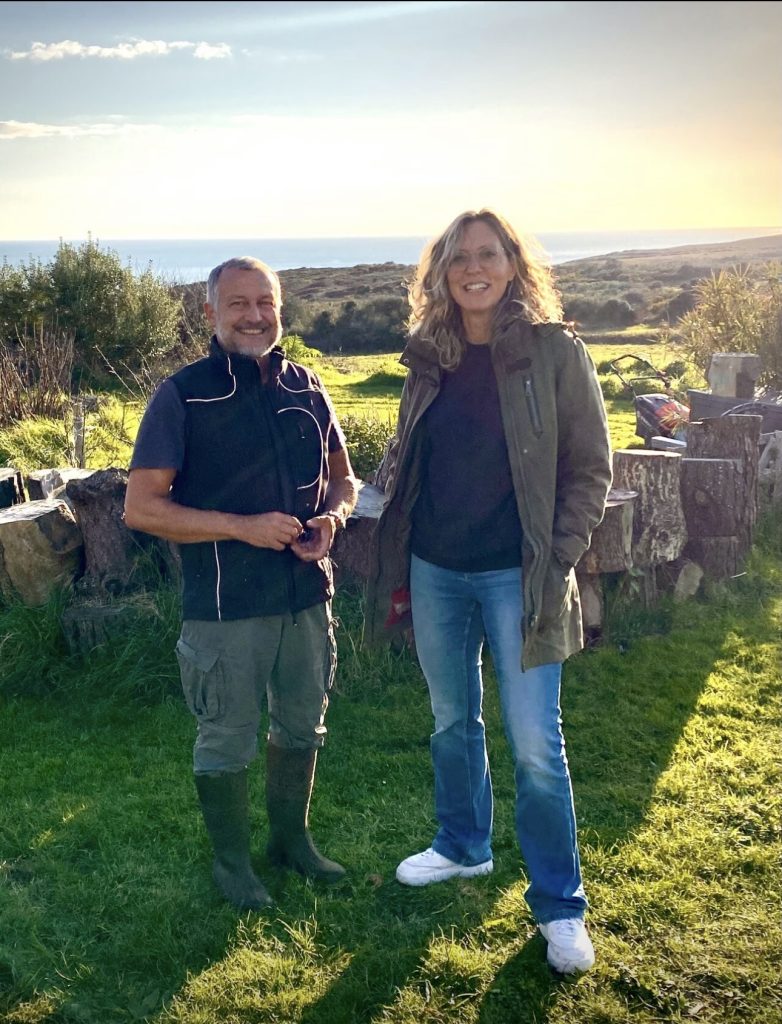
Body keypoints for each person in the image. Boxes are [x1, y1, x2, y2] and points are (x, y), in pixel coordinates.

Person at [365, 210, 612, 973]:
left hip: (521, 576)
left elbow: (590, 467)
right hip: (437, 571)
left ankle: (559, 905)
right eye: (459, 257)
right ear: (441, 273)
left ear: (513, 264)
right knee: (451, 719)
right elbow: (410, 458)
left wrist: (560, 556)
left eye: (489, 254)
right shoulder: (427, 356)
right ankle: (463, 845)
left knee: (537, 743)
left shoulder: (554, 350)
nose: (475, 267)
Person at [125, 256, 358, 911]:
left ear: (280, 308)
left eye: (266, 302)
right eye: (238, 304)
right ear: (211, 313)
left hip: (307, 600)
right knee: (226, 735)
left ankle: (292, 842)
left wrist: (333, 519)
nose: (255, 315)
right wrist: (241, 527)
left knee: (302, 726)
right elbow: (141, 508)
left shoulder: (308, 387)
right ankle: (231, 864)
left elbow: (343, 480)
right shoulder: (183, 395)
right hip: (224, 610)